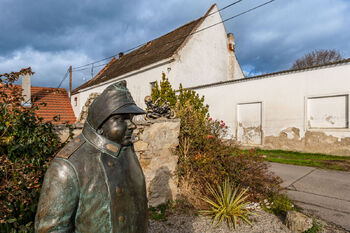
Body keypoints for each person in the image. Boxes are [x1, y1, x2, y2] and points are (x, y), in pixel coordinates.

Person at [35, 81, 148, 233]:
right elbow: (51, 229)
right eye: (121, 119)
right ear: (100, 124)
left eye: (130, 117)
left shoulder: (126, 149)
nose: (132, 125)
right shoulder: (68, 165)